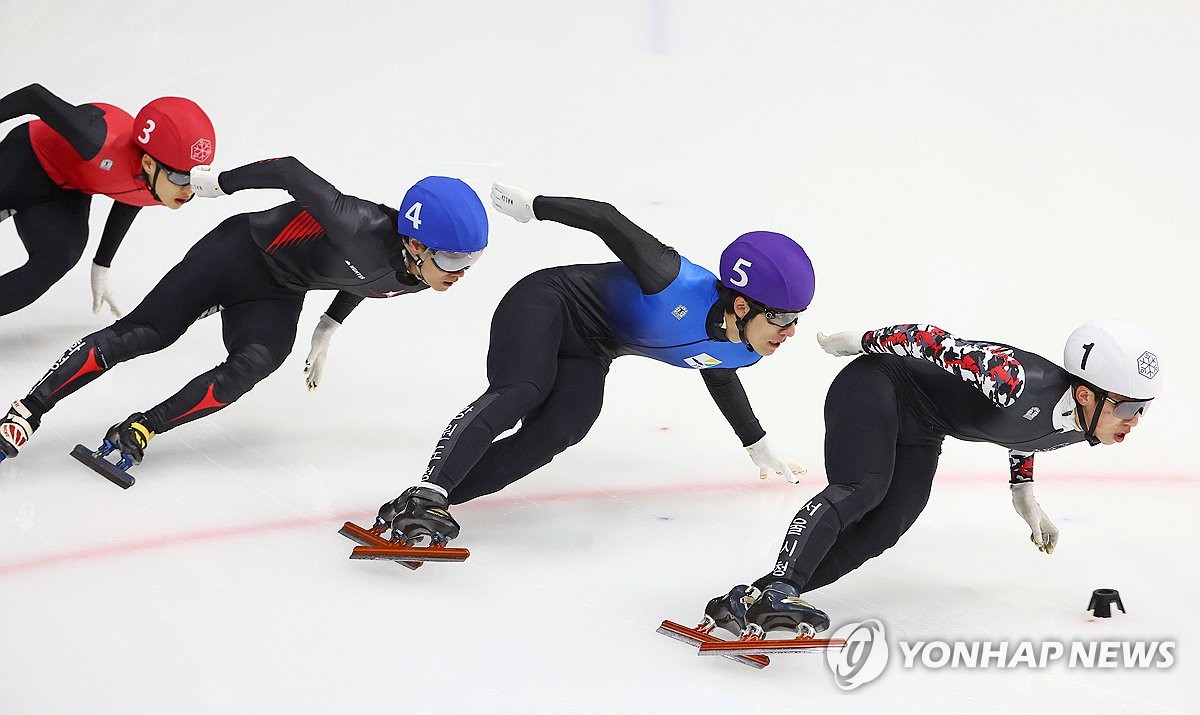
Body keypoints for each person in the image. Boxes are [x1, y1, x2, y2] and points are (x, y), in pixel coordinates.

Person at [367, 182, 815, 549]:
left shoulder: (748, 349)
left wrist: (755, 443)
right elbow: (606, 218)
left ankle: (427, 504)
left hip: (592, 348)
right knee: (524, 387)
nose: (789, 331)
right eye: (780, 318)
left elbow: (718, 372)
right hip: (548, 302)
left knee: (565, 426)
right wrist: (533, 208)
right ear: (741, 305)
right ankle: (431, 490)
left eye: (796, 319)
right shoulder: (672, 278)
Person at [0, 158, 488, 470]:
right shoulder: (356, 223)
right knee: (149, 333)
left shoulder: (423, 273)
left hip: (278, 291)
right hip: (238, 253)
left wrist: (330, 324)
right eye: (452, 260)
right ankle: (28, 411)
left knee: (258, 361)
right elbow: (290, 171)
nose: (459, 273)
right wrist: (221, 184)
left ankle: (142, 428)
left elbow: (365, 280)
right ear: (417, 242)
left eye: (470, 262)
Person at [694, 319, 1163, 642]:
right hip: (876, 382)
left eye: (1142, 409)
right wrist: (860, 340)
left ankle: (758, 597)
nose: (1134, 421)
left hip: (924, 425)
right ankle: (780, 586)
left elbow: (1030, 435)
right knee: (865, 487)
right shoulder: (1017, 378)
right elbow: (931, 340)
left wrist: (1025, 498)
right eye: (1127, 408)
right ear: (1085, 394)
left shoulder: (1086, 424)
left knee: (892, 519)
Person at [0, 83, 215, 317]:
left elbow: (134, 197)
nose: (188, 190)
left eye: (195, 178)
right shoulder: (97, 140)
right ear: (149, 164)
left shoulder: (164, 186)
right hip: (24, 158)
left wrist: (102, 263)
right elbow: (33, 97)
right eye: (181, 177)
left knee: (58, 258)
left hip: (66, 192)